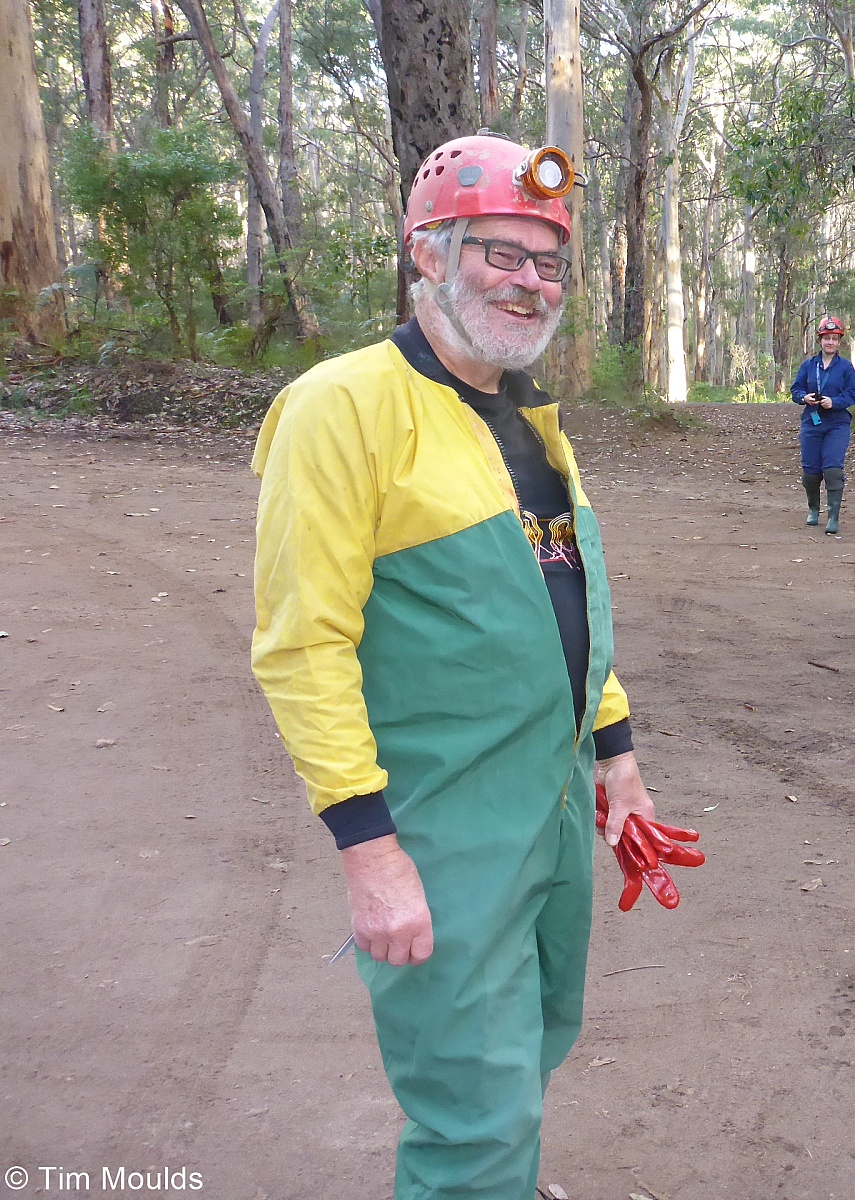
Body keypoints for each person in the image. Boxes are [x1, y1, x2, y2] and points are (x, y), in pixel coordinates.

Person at [250, 133, 674, 1200]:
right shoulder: (340, 407)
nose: (528, 283)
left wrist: (615, 760)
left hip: (546, 802)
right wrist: (368, 851)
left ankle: (502, 1170)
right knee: (468, 1101)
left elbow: (564, 605)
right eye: (499, 252)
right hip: (441, 823)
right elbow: (302, 645)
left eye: (547, 263)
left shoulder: (526, 417)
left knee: (533, 1032)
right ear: (426, 253)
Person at [790, 315, 855, 534]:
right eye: (826, 338)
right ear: (820, 340)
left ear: (839, 342)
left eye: (834, 338)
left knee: (832, 469)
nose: (830, 342)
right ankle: (813, 509)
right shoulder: (809, 366)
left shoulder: (846, 368)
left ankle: (833, 517)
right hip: (812, 422)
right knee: (811, 471)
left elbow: (853, 394)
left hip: (837, 424)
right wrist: (805, 398)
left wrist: (835, 402)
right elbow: (795, 390)